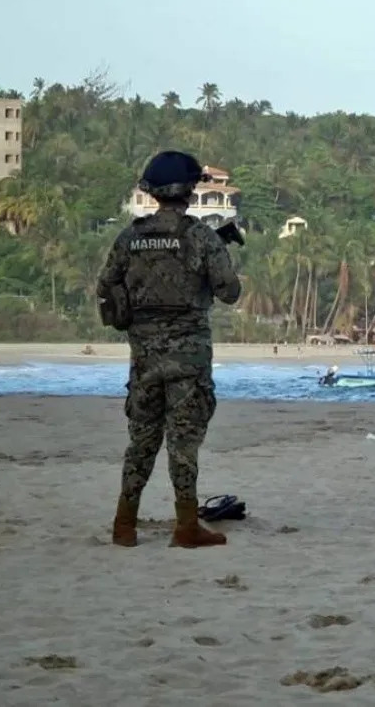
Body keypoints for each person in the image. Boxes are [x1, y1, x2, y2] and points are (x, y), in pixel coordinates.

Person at [97, 150, 242, 549]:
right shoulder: (200, 237)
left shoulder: (130, 237)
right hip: (189, 359)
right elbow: (230, 292)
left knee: (141, 441)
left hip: (144, 357)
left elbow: (106, 289)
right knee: (183, 444)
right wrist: (220, 253)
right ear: (190, 191)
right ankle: (185, 526)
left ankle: (124, 525)